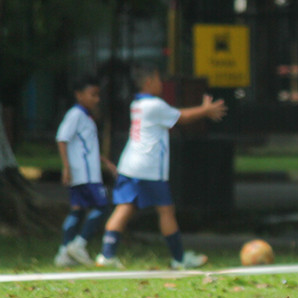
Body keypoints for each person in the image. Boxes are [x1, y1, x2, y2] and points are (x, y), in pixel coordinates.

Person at [96, 63, 227, 270]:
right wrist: (206, 110)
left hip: (130, 165)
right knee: (166, 211)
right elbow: (181, 117)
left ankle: (106, 256)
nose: (161, 83)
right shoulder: (154, 105)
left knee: (124, 208)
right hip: (148, 168)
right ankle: (179, 259)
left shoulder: (137, 104)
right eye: (158, 79)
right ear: (149, 82)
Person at [54, 76, 117, 267]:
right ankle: (79, 244)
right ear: (79, 95)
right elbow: (62, 138)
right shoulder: (75, 115)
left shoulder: (86, 115)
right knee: (102, 206)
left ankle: (64, 252)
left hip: (85, 172)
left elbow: (85, 146)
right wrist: (66, 167)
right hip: (85, 174)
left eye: (98, 95)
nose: (97, 99)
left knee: (77, 211)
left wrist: (104, 161)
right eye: (93, 94)